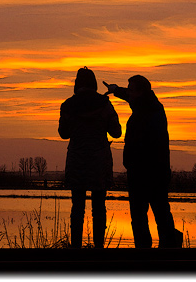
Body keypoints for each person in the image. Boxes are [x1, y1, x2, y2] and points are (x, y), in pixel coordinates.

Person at [104, 75, 183, 249]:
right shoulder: (150, 105)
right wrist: (115, 90)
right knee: (158, 213)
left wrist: (131, 163)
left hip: (146, 172)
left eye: (131, 89)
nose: (129, 93)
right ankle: (167, 249)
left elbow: (143, 145)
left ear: (140, 92)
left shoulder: (146, 112)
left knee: (144, 217)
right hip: (153, 171)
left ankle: (150, 252)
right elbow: (130, 97)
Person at [58, 67, 121, 248]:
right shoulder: (104, 104)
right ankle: (98, 249)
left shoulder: (67, 105)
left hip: (77, 160)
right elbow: (116, 132)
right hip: (99, 160)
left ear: (77, 83)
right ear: (94, 83)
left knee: (77, 207)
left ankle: (76, 249)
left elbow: (63, 133)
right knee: (99, 207)